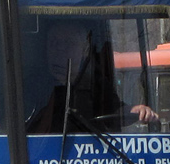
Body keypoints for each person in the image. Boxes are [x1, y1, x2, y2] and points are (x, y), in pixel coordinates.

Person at [27, 21, 158, 133]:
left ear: (85, 50)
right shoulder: (31, 86)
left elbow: (116, 110)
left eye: (69, 43)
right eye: (54, 43)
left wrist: (139, 111)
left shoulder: (95, 84)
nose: (60, 50)